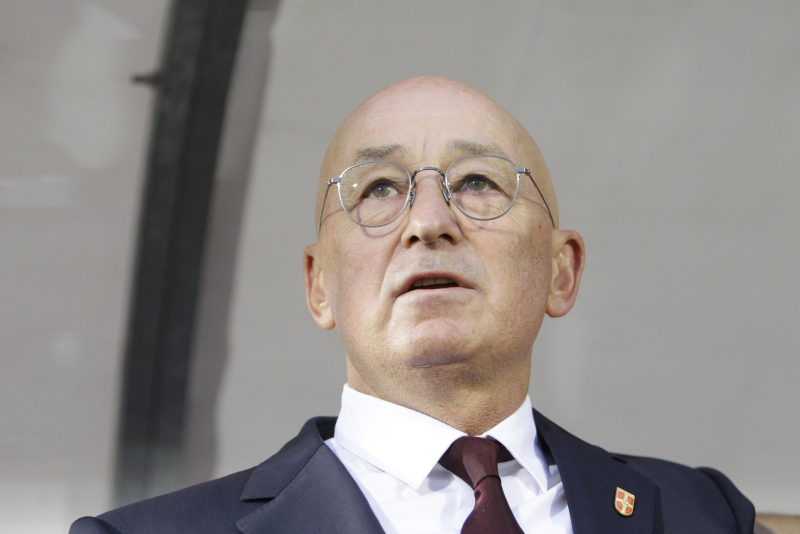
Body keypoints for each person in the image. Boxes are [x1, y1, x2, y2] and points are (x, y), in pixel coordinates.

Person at [70, 76, 755, 533]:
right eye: (377, 190)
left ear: (561, 271)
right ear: (318, 284)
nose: (428, 222)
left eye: (479, 182)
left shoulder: (704, 513)